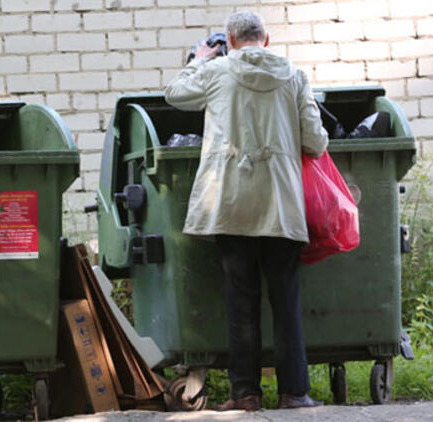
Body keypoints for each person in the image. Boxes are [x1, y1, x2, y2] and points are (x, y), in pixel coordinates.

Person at [164, 11, 328, 411]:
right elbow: (316, 141)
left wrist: (199, 58)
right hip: (281, 204)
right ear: (266, 40)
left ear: (232, 41)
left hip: (231, 203)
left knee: (241, 301)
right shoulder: (294, 75)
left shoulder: (217, 71)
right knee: (286, 301)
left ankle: (246, 395)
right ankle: (295, 393)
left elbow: (174, 94)